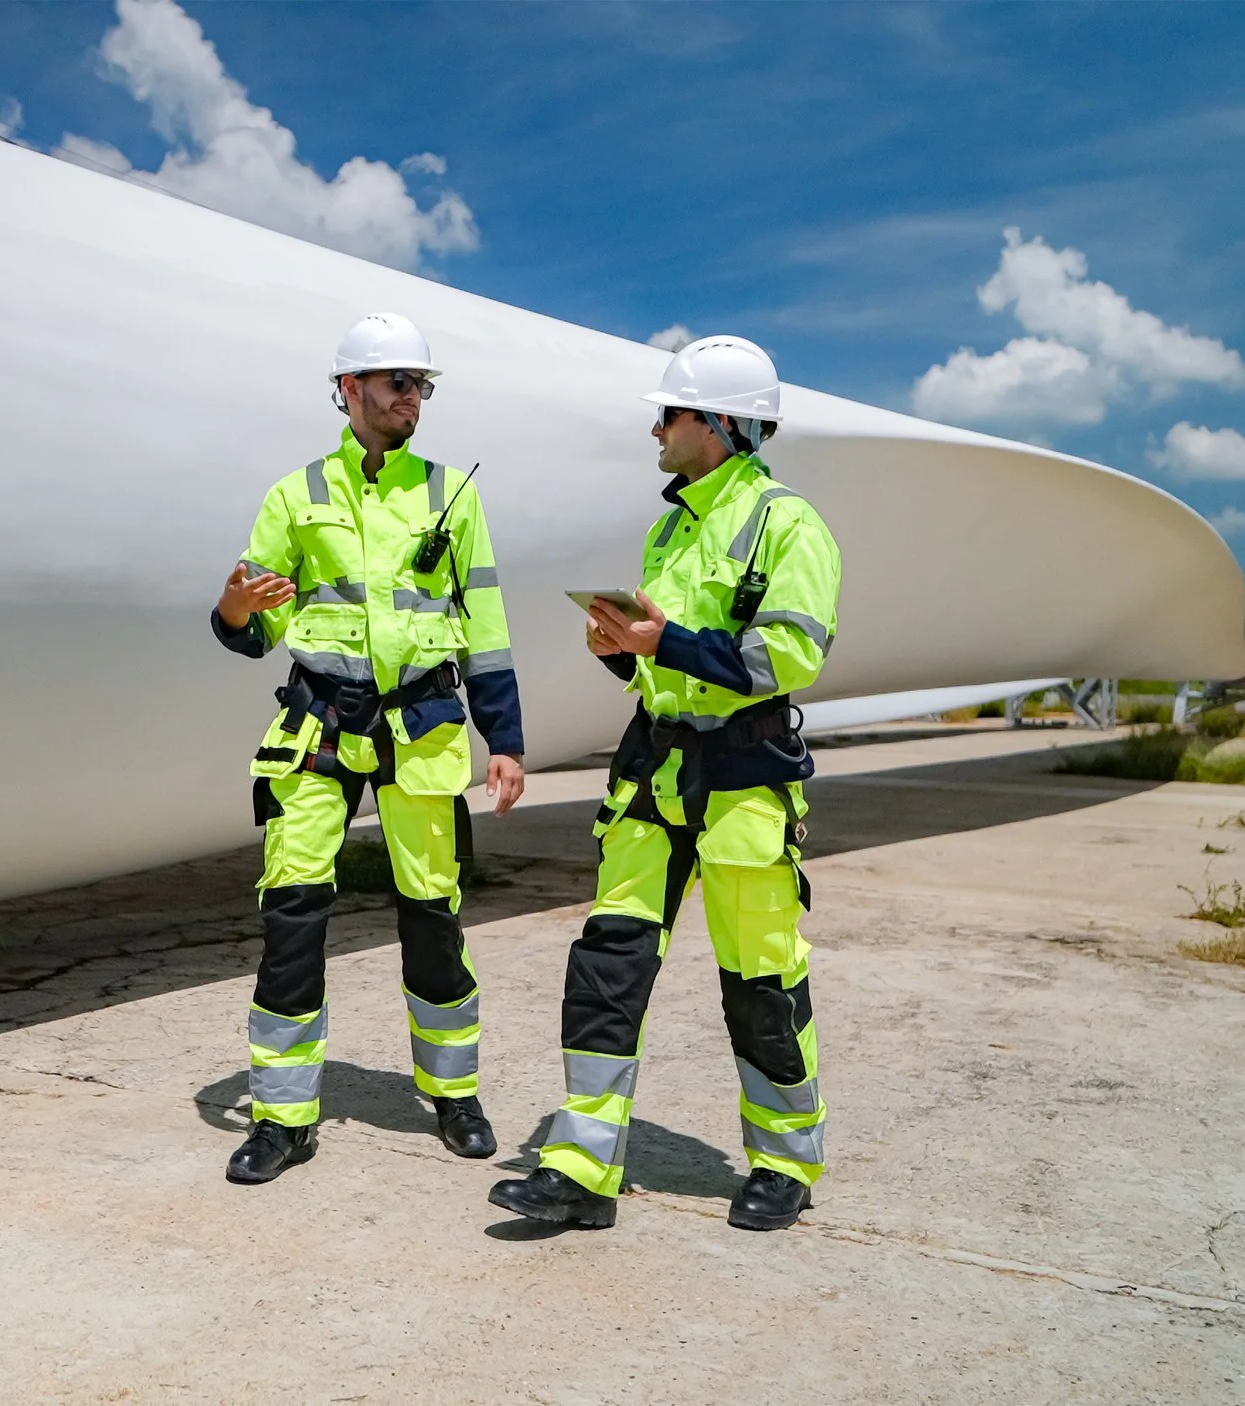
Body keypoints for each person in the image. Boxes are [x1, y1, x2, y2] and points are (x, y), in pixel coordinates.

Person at [488, 334, 840, 1231]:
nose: (656, 429)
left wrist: (667, 642)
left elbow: (789, 655)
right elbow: (665, 667)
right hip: (655, 767)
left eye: (670, 414)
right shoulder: (671, 527)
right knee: (608, 965)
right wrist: (624, 653)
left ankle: (784, 1163)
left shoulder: (789, 525)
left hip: (744, 776)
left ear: (719, 424)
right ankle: (581, 1169)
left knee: (761, 979)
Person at [211, 312, 526, 1185]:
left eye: (420, 385)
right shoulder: (295, 496)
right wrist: (235, 610)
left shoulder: (452, 496)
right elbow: (252, 624)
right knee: (292, 916)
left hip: (421, 727)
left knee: (433, 919)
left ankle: (453, 1095)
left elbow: (486, 626)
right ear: (349, 389)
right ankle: (282, 1119)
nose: (411, 397)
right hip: (318, 724)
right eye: (397, 382)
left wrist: (504, 739)